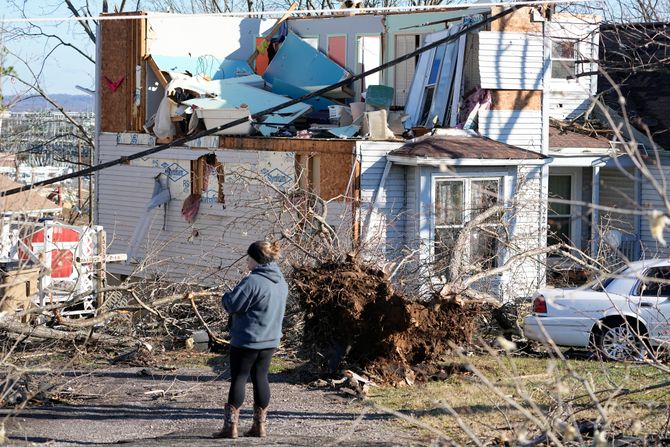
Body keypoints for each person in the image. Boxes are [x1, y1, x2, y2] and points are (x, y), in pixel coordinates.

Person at [214, 240, 288, 439]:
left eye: (248, 258)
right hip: (270, 340)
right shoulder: (280, 280)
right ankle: (259, 426)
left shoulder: (252, 282)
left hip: (247, 340)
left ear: (256, 259)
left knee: (239, 378)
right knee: (261, 378)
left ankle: (230, 428)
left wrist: (226, 296)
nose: (246, 262)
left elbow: (232, 304)